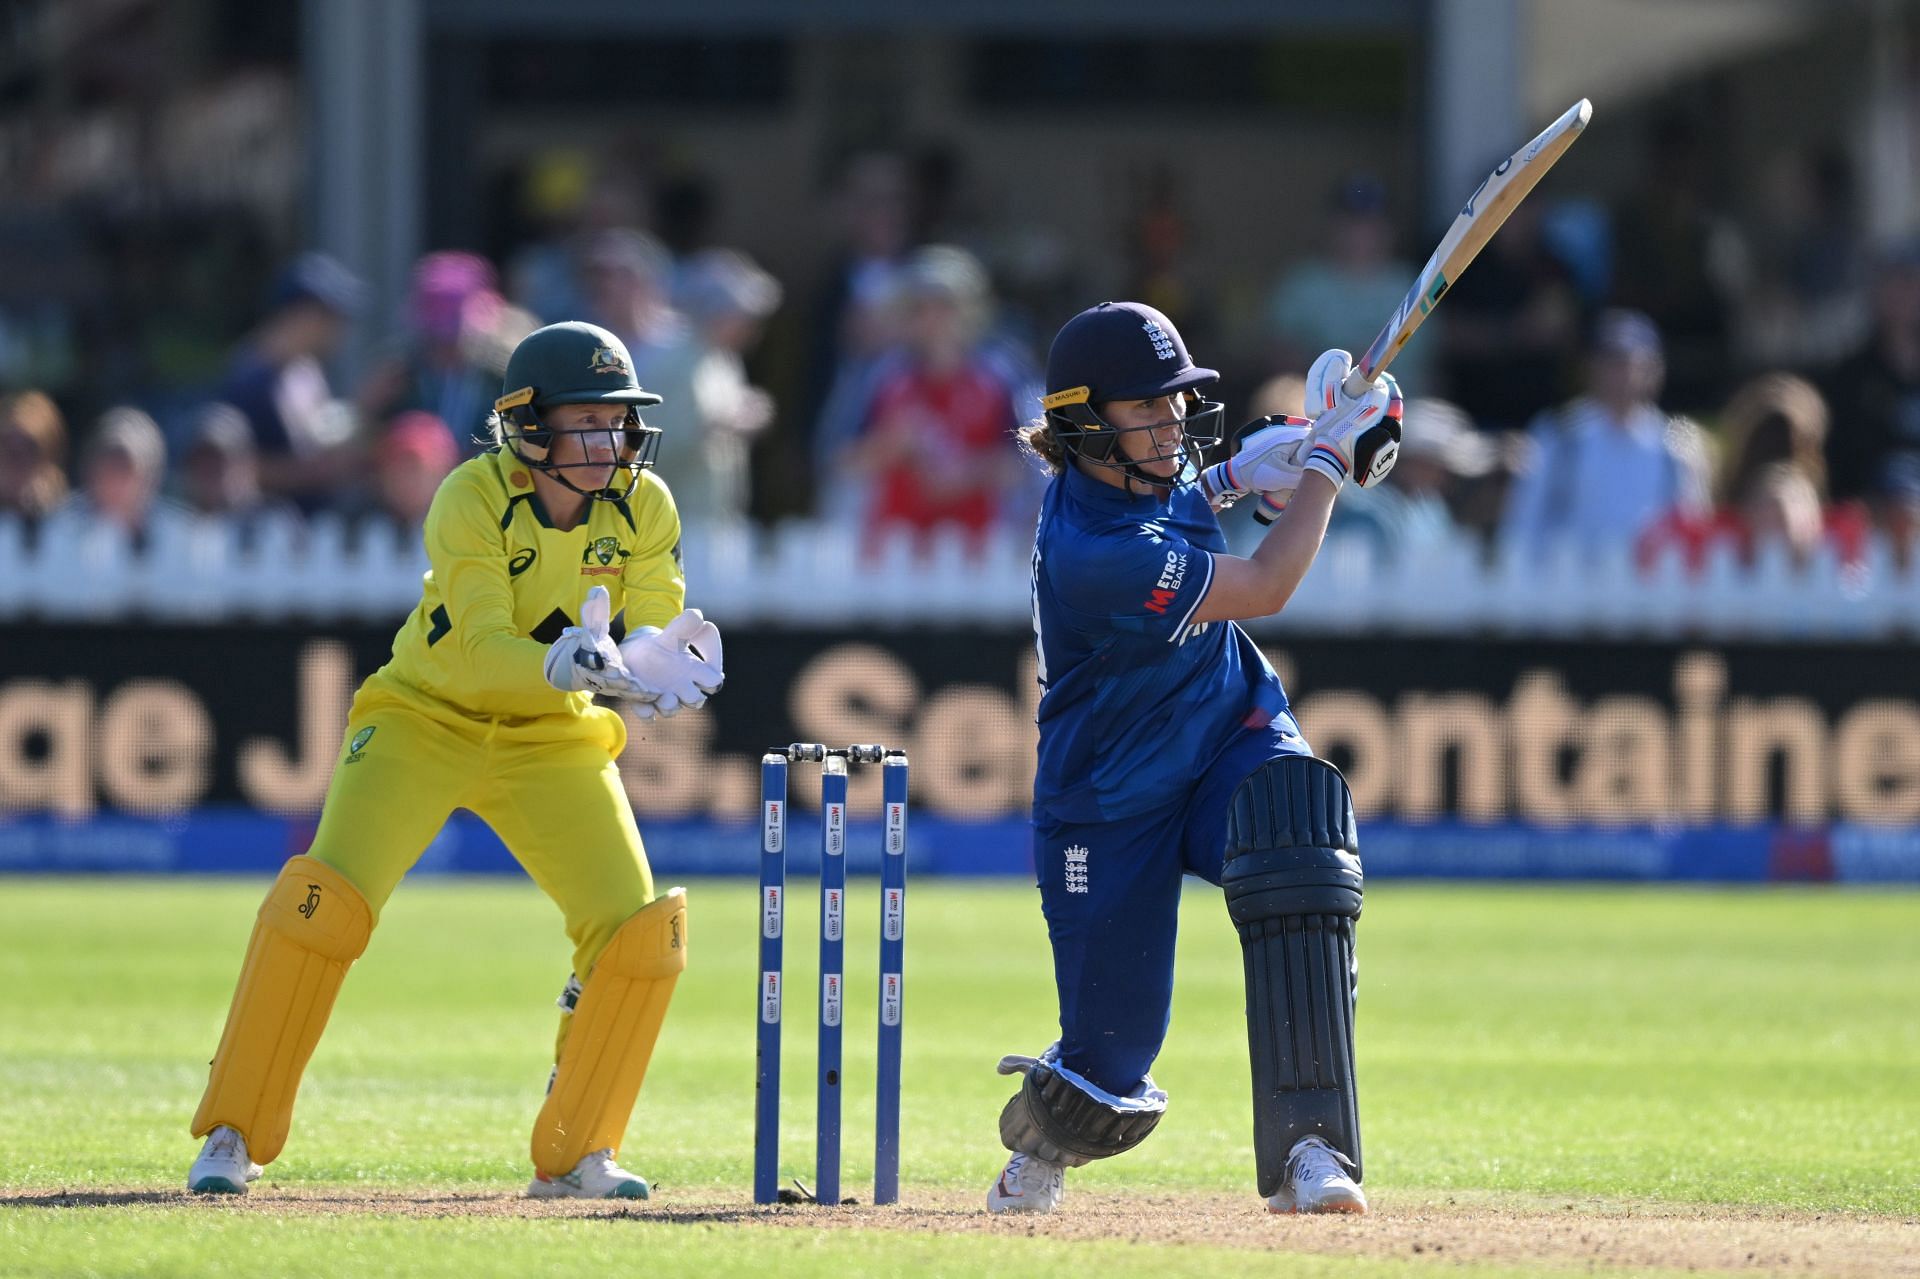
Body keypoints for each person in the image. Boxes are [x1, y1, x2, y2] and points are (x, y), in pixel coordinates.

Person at [185, 321, 724, 1201]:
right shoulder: (469, 497)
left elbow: (652, 617)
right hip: (425, 717)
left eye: (619, 420)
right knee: (323, 904)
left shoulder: (647, 503)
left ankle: (579, 1147)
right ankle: (235, 1129)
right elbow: (477, 645)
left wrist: (664, 659)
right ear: (531, 424)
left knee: (638, 931)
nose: (610, 442)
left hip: (550, 734)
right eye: (587, 420)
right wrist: (565, 662)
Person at [990, 301, 1404, 1216]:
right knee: (1111, 1065)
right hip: (1108, 796)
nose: (1171, 423)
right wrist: (1329, 461)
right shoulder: (1095, 549)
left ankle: (1313, 1148)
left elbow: (1192, 492)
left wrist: (1254, 466)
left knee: (1298, 853)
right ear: (1084, 423)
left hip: (1227, 734)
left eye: (1176, 401)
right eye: (1148, 408)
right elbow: (1264, 584)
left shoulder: (1141, 479)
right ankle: (1047, 1137)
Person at [1498, 309, 1710, 562]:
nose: (1621, 375)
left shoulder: (1675, 445)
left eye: (1631, 363)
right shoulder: (1557, 434)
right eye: (1611, 363)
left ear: (1654, 370)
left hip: (1650, 594)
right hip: (1567, 592)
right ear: (1592, 368)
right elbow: (1524, 524)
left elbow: (1693, 526)